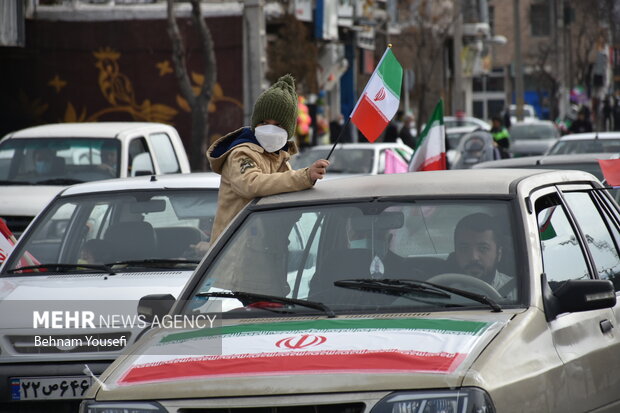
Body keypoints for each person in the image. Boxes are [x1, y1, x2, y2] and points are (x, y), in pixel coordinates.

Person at [206, 74, 329, 245]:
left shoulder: (280, 158)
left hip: (267, 255)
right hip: (236, 258)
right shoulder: (241, 153)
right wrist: (305, 176)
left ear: (289, 129)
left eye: (278, 125)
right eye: (264, 122)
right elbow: (251, 184)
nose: (270, 129)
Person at [451, 212, 514, 298]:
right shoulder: (439, 291)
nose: (473, 257)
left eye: (483, 248)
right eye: (464, 248)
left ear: (499, 254)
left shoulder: (518, 293)